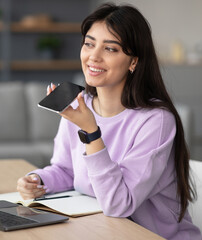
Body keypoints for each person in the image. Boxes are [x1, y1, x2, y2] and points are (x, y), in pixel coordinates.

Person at [16, 3, 202, 240]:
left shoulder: (156, 121)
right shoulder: (79, 103)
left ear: (133, 61)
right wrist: (38, 180)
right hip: (99, 230)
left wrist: (91, 131)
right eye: (89, 44)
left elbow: (119, 204)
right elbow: (65, 170)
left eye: (110, 49)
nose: (94, 56)